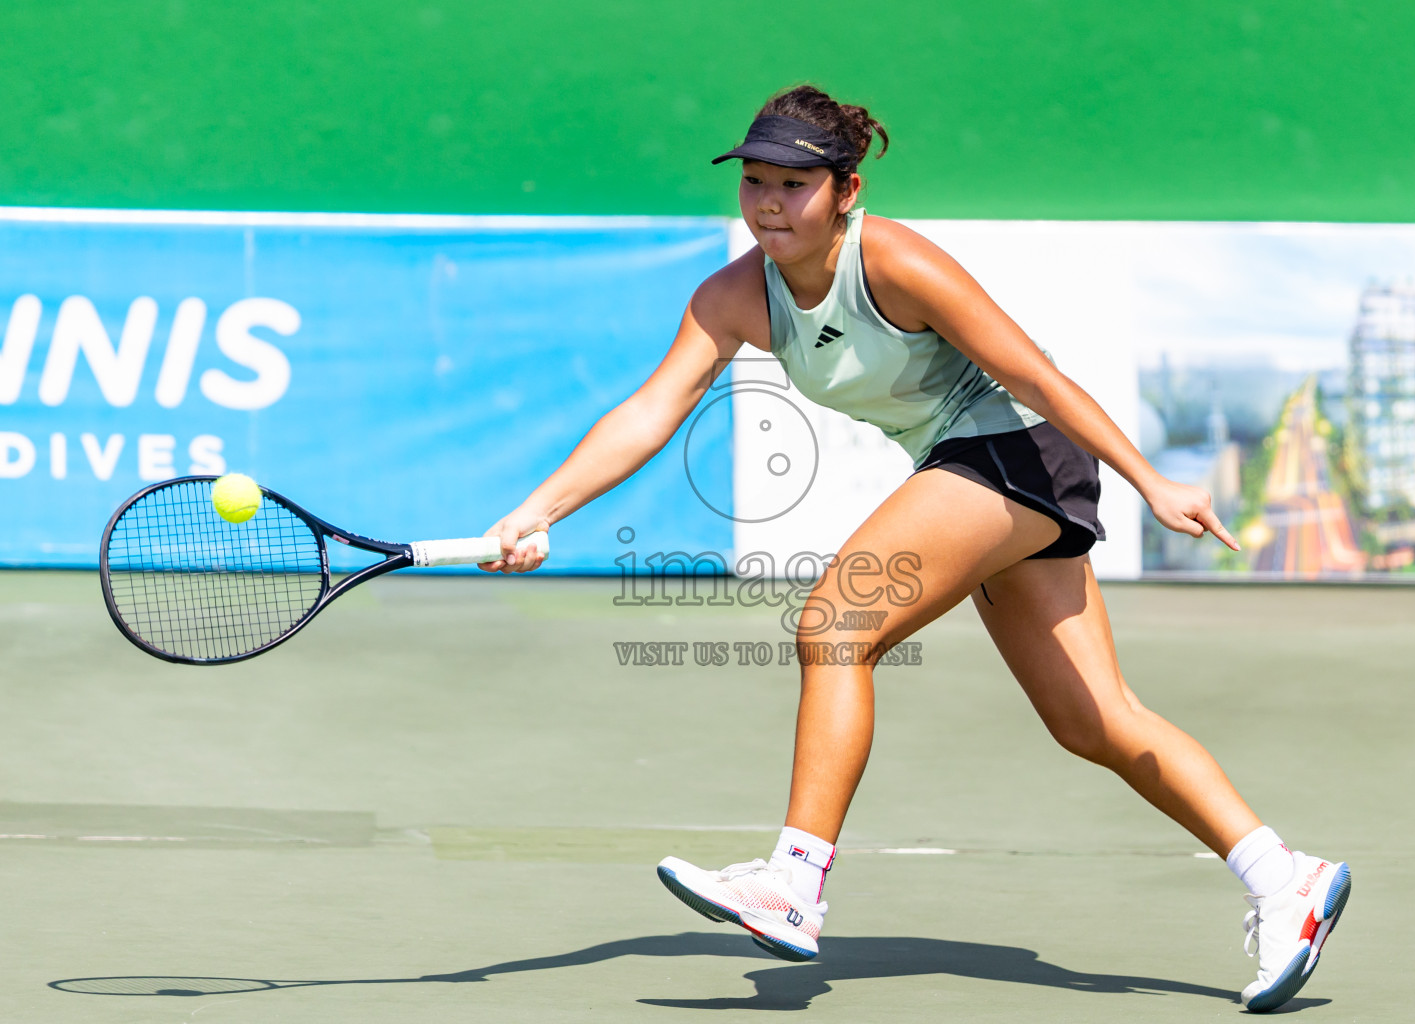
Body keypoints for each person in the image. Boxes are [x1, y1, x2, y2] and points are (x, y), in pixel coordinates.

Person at [479, 85, 1350, 1013]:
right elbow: (650, 413)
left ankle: (794, 881)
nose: (770, 204)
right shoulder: (733, 296)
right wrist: (539, 511)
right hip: (969, 463)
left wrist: (1150, 478)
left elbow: (1034, 374)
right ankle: (1285, 876)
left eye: (795, 186)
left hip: (1016, 451)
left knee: (835, 623)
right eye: (757, 183)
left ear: (845, 191)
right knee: (1093, 719)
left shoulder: (895, 261)